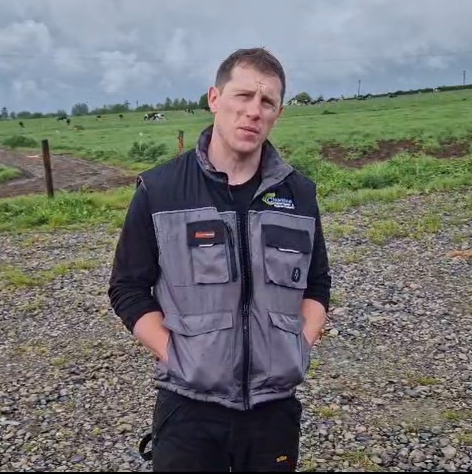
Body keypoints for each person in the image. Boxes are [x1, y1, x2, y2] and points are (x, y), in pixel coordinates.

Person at [107, 47, 332, 472]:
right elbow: (128, 287)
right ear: (214, 98)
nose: (253, 112)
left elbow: (317, 284)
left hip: (273, 411)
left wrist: (298, 346)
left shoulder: (300, 195)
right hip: (189, 409)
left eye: (267, 102)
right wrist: (174, 352)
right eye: (242, 96)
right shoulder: (161, 190)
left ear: (277, 113)